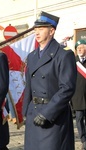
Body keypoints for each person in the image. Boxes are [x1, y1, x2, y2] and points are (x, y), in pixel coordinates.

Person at [22, 11, 77, 150]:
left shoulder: (63, 54)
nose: (37, 32)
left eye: (41, 29)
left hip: (53, 116)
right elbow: (29, 85)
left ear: (51, 31)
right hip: (34, 112)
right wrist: (25, 111)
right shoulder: (32, 55)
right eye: (35, 29)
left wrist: (47, 113)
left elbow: (67, 88)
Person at [71, 39, 86, 150]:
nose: (80, 49)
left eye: (82, 47)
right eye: (78, 48)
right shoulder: (73, 62)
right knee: (79, 119)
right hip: (77, 96)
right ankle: (83, 139)